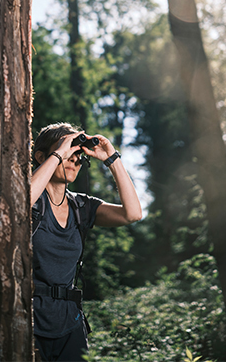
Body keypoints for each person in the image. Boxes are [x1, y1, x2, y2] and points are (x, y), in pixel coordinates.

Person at [31, 122, 142, 362]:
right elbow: (17, 203)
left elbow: (132, 214)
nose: (74, 160)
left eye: (78, 156)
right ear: (42, 156)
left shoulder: (81, 207)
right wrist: (59, 152)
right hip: (28, 322)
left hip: (70, 324)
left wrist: (111, 157)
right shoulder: (32, 200)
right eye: (68, 153)